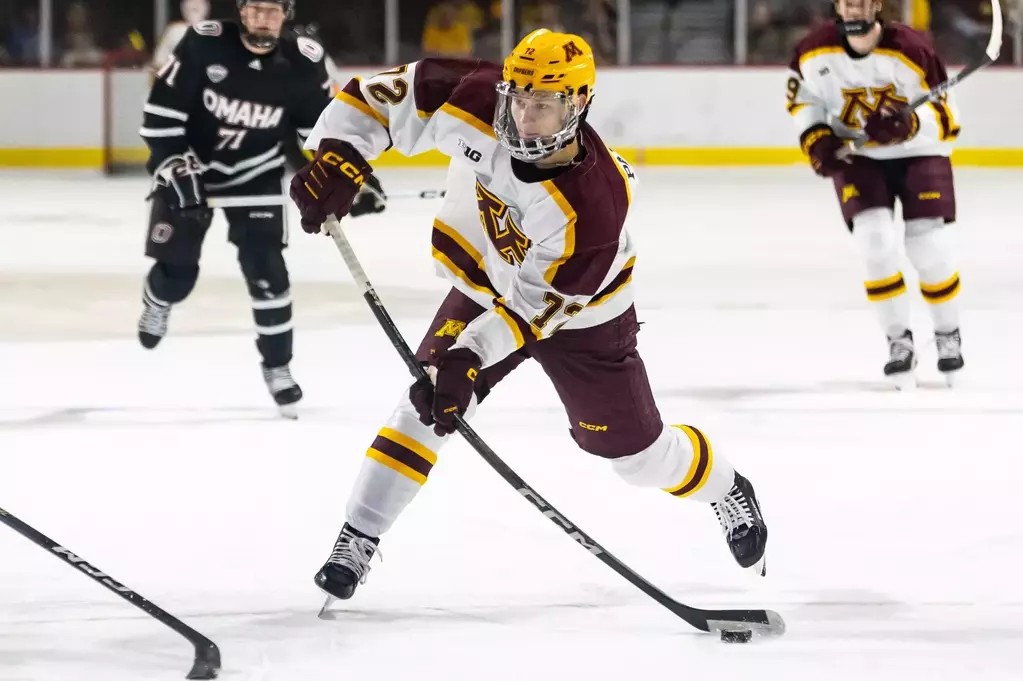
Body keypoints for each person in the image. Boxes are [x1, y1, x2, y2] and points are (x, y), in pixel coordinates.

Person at [290, 29, 770, 603]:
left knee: (637, 460)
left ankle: (724, 485)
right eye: (517, 98)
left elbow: (531, 311)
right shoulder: (474, 95)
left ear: (579, 104)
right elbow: (379, 98)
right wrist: (341, 155)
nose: (524, 117)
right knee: (424, 405)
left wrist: (470, 354)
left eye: (543, 104)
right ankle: (359, 535)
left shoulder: (594, 205)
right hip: (488, 283)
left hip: (583, 317)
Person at [137, 0, 386, 418]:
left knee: (268, 273)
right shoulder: (202, 44)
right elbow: (160, 117)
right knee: (177, 276)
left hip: (256, 174)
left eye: (273, 10)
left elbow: (317, 135)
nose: (264, 19)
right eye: (256, 8)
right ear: (241, 10)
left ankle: (278, 366)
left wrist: (352, 179)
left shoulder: (304, 61)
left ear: (286, 14)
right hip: (191, 169)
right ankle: (157, 303)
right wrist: (175, 167)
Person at [787, 0, 964, 389]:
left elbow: (947, 118)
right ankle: (899, 341)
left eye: (863, 1)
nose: (855, 9)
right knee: (874, 242)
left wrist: (910, 125)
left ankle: (947, 332)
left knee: (928, 247)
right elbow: (803, 100)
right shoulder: (813, 51)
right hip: (860, 156)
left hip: (921, 152)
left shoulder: (912, 49)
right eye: (848, 2)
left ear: (877, 5)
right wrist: (815, 137)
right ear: (838, 6)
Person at [151, 0, 211, 72]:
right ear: (183, 8)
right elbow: (159, 60)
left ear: (207, 7)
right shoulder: (174, 30)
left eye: (200, 1)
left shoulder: (217, 33)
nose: (195, 3)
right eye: (190, 1)